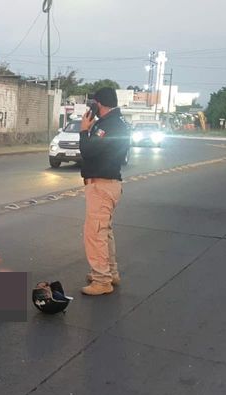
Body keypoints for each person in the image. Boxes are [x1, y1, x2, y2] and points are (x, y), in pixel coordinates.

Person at [78, 87, 129, 296]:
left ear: (98, 103)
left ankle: (102, 280)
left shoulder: (109, 126)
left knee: (95, 234)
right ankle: (110, 272)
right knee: (104, 231)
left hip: (102, 185)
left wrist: (83, 130)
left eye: (94, 104)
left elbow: (88, 150)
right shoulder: (114, 124)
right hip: (108, 184)